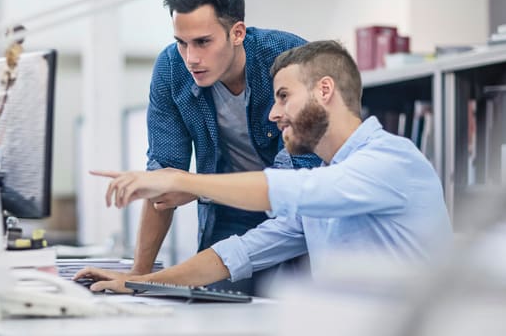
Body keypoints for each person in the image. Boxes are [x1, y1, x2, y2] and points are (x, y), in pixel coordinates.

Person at [76, 40, 453, 292]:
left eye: (284, 97)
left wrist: (181, 180)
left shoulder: (391, 161)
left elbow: (289, 190)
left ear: (324, 91)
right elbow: (239, 253)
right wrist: (141, 282)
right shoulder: (327, 183)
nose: (274, 113)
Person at [131, 0, 321, 294]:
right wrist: (137, 277)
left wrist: (193, 188)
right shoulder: (171, 69)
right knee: (214, 303)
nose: (191, 58)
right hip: (226, 208)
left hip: (297, 211)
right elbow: (164, 178)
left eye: (203, 42)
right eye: (182, 43)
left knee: (294, 305)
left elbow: (292, 184)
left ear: (237, 33)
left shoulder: (289, 59)